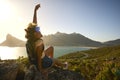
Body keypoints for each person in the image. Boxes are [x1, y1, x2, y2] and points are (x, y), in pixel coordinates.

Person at [25, 4, 68, 77]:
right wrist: (41, 70)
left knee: (51, 48)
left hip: (34, 60)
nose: (39, 29)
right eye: (38, 29)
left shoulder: (30, 39)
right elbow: (39, 58)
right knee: (55, 60)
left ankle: (50, 61)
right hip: (41, 61)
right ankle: (64, 65)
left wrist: (35, 10)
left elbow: (34, 23)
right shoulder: (39, 42)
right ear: (35, 33)